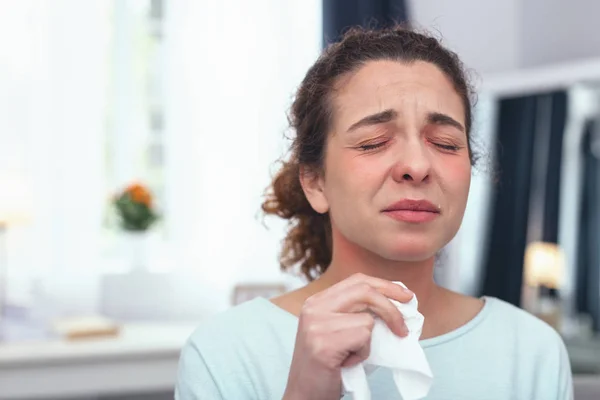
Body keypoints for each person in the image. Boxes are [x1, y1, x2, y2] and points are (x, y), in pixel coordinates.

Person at [175, 26, 573, 399]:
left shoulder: (532, 352)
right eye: (373, 142)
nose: (416, 166)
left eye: (446, 143)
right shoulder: (226, 352)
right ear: (315, 182)